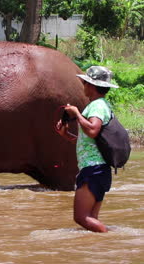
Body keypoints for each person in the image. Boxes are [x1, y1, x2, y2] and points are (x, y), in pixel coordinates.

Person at [56, 66, 119, 233]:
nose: (83, 85)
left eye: (84, 82)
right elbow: (88, 142)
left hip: (93, 169)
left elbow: (92, 130)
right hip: (99, 170)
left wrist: (76, 114)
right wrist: (66, 135)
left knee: (81, 217)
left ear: (91, 85)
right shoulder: (101, 105)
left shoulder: (97, 106)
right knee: (91, 219)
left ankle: (110, 240)